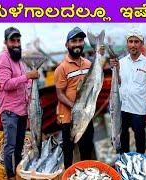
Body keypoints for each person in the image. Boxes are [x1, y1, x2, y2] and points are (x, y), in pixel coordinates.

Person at [0, 27, 39, 179]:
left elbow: (23, 84)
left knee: (19, 145)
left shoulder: (18, 59)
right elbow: (5, 84)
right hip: (10, 111)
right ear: (5, 42)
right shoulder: (3, 58)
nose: (16, 44)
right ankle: (10, 175)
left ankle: (18, 170)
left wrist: (31, 85)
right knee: (10, 146)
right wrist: (28, 76)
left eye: (18, 40)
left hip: (22, 110)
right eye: (12, 41)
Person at [110, 28, 146, 154]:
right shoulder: (121, 62)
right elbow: (118, 83)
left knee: (140, 141)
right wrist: (115, 69)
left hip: (139, 110)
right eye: (130, 41)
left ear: (141, 44)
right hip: (122, 108)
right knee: (123, 139)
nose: (133, 45)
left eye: (136, 42)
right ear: (127, 43)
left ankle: (140, 162)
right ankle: (125, 162)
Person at [54, 27, 94, 168]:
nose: (77, 44)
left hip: (86, 117)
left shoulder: (89, 65)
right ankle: (67, 174)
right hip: (68, 118)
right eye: (74, 41)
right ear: (67, 44)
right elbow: (60, 94)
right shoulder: (61, 68)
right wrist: (76, 107)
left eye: (80, 41)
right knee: (68, 152)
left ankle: (86, 173)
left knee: (86, 149)